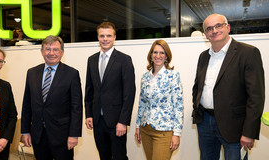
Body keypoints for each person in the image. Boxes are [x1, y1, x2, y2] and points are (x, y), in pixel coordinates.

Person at [192, 13, 265, 160]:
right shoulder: (203, 56)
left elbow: (256, 97)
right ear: (205, 34)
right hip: (205, 122)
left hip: (234, 125)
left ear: (228, 27)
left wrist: (249, 132)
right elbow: (198, 86)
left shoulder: (248, 53)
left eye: (218, 25)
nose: (214, 30)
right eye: (209, 28)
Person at [21, 35, 83, 160]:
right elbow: (27, 104)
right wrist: (25, 131)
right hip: (38, 134)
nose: (51, 53)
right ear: (42, 51)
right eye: (48, 49)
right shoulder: (32, 73)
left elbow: (76, 107)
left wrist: (74, 135)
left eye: (55, 49)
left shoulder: (72, 74)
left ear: (62, 52)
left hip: (62, 136)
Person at [85, 22, 136, 160]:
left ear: (114, 37)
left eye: (108, 35)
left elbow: (129, 93)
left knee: (119, 157)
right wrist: (88, 114)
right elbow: (89, 90)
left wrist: (123, 121)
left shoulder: (124, 60)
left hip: (116, 121)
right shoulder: (91, 60)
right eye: (102, 36)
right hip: (97, 120)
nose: (105, 39)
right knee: (104, 156)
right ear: (98, 37)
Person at [134, 40, 184, 160]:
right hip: (145, 129)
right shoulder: (145, 77)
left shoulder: (173, 76)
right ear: (151, 55)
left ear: (166, 56)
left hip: (164, 131)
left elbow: (178, 106)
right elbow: (142, 103)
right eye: (155, 52)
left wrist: (176, 134)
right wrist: (137, 126)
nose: (158, 56)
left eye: (162, 53)